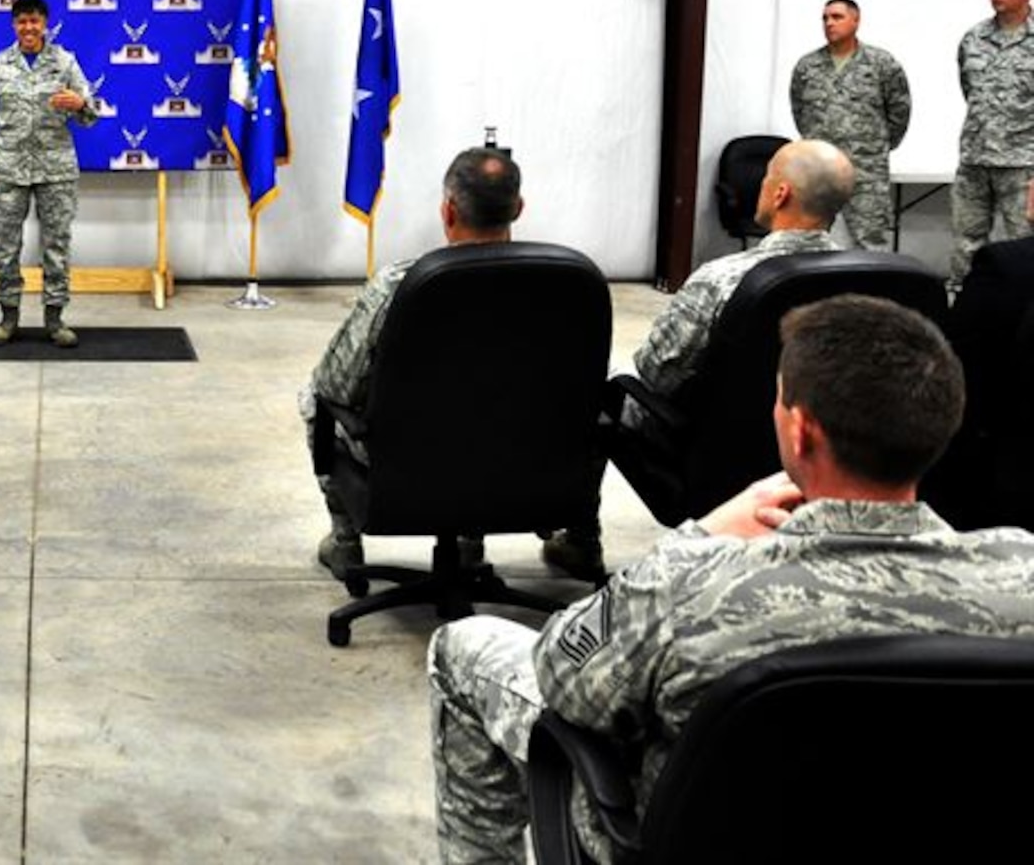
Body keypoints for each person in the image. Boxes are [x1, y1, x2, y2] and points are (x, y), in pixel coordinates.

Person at [427, 294, 1034, 864]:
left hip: (680, 841)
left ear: (799, 430)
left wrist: (707, 531)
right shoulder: (1022, 570)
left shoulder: (692, 582)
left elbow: (560, 676)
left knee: (465, 646)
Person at [302, 148, 603, 580]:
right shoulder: (567, 282)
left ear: (447, 210)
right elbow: (590, 390)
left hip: (414, 470)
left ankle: (346, 542)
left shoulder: (401, 286)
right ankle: (579, 542)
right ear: (518, 208)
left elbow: (334, 385)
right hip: (532, 469)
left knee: (315, 399)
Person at [618, 138, 853, 429]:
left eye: (767, 177)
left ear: (781, 194)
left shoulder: (718, 280)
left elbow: (657, 374)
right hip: (820, 443)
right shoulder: (866, 282)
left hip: (718, 452)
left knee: (614, 385)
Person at [0, 0, 98, 348]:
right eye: (22, 21)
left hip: (57, 170)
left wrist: (81, 103)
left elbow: (92, 112)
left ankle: (55, 320)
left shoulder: (64, 62)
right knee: (6, 246)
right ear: (13, 25)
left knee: (56, 245)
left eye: (34, 21)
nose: (28, 28)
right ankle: (8, 318)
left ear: (45, 24)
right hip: (8, 170)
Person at [788, 0, 910, 251]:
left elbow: (899, 111)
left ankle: (872, 291)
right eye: (825, 18)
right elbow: (799, 110)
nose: (829, 23)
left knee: (871, 239)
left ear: (856, 20)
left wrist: (876, 146)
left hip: (865, 169)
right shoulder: (807, 66)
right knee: (812, 240)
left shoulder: (881, 64)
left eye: (837, 17)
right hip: (819, 171)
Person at [951, 0, 1034, 288]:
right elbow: (969, 90)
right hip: (975, 159)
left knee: (1023, 245)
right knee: (965, 243)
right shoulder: (973, 38)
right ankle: (963, 309)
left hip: (1022, 163)